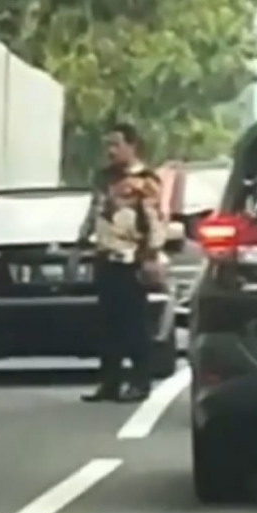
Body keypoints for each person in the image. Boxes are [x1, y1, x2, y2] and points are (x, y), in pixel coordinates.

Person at [74, 123, 167, 404]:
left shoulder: (146, 180)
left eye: (116, 144)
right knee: (107, 325)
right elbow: (95, 211)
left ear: (132, 145)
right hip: (105, 256)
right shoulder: (103, 178)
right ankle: (109, 382)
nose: (111, 151)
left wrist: (150, 257)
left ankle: (140, 381)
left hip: (131, 261)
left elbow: (155, 222)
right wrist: (82, 238)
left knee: (133, 325)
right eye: (108, 145)